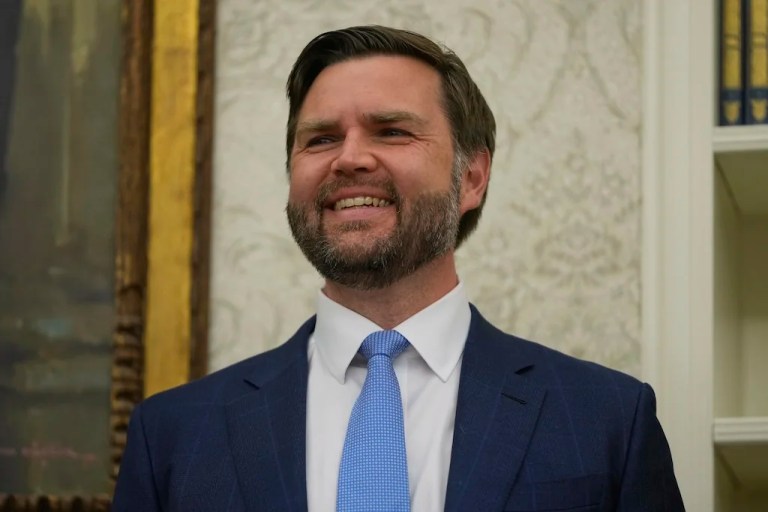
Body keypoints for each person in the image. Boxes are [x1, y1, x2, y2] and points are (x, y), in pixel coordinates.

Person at [113, 25, 684, 511]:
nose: (350, 157)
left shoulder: (608, 421)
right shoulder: (171, 437)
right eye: (321, 138)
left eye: (392, 131)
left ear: (472, 178)